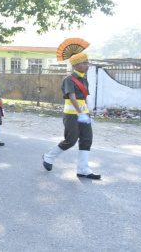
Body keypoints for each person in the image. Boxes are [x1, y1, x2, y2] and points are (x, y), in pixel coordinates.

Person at [43, 38, 100, 179]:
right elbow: (72, 97)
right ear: (75, 65)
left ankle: (83, 169)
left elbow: (83, 97)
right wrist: (80, 113)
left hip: (82, 114)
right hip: (71, 115)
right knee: (71, 140)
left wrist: (86, 112)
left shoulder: (84, 79)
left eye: (88, 63)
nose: (87, 65)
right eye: (84, 63)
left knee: (87, 140)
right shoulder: (69, 79)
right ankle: (49, 157)